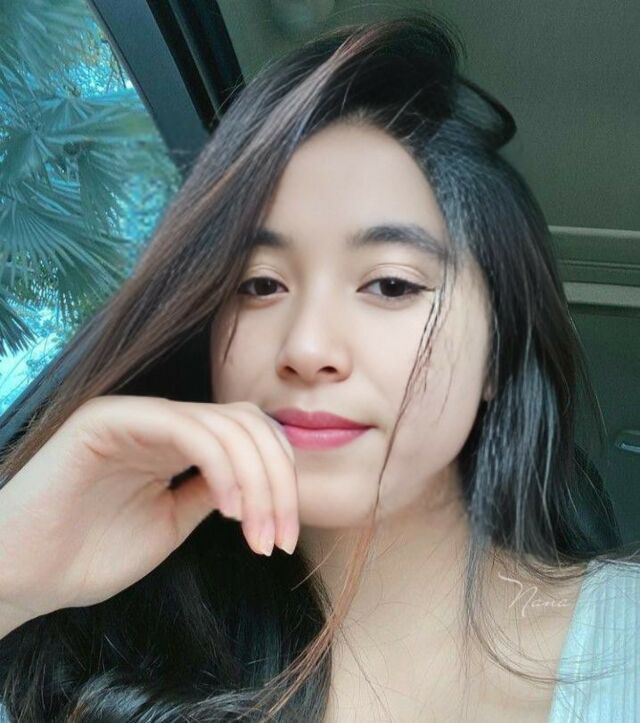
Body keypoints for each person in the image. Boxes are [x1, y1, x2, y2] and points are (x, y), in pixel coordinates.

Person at [0, 11, 637, 722]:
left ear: (499, 351)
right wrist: (12, 575)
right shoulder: (112, 663)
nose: (305, 348)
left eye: (390, 284)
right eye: (258, 284)